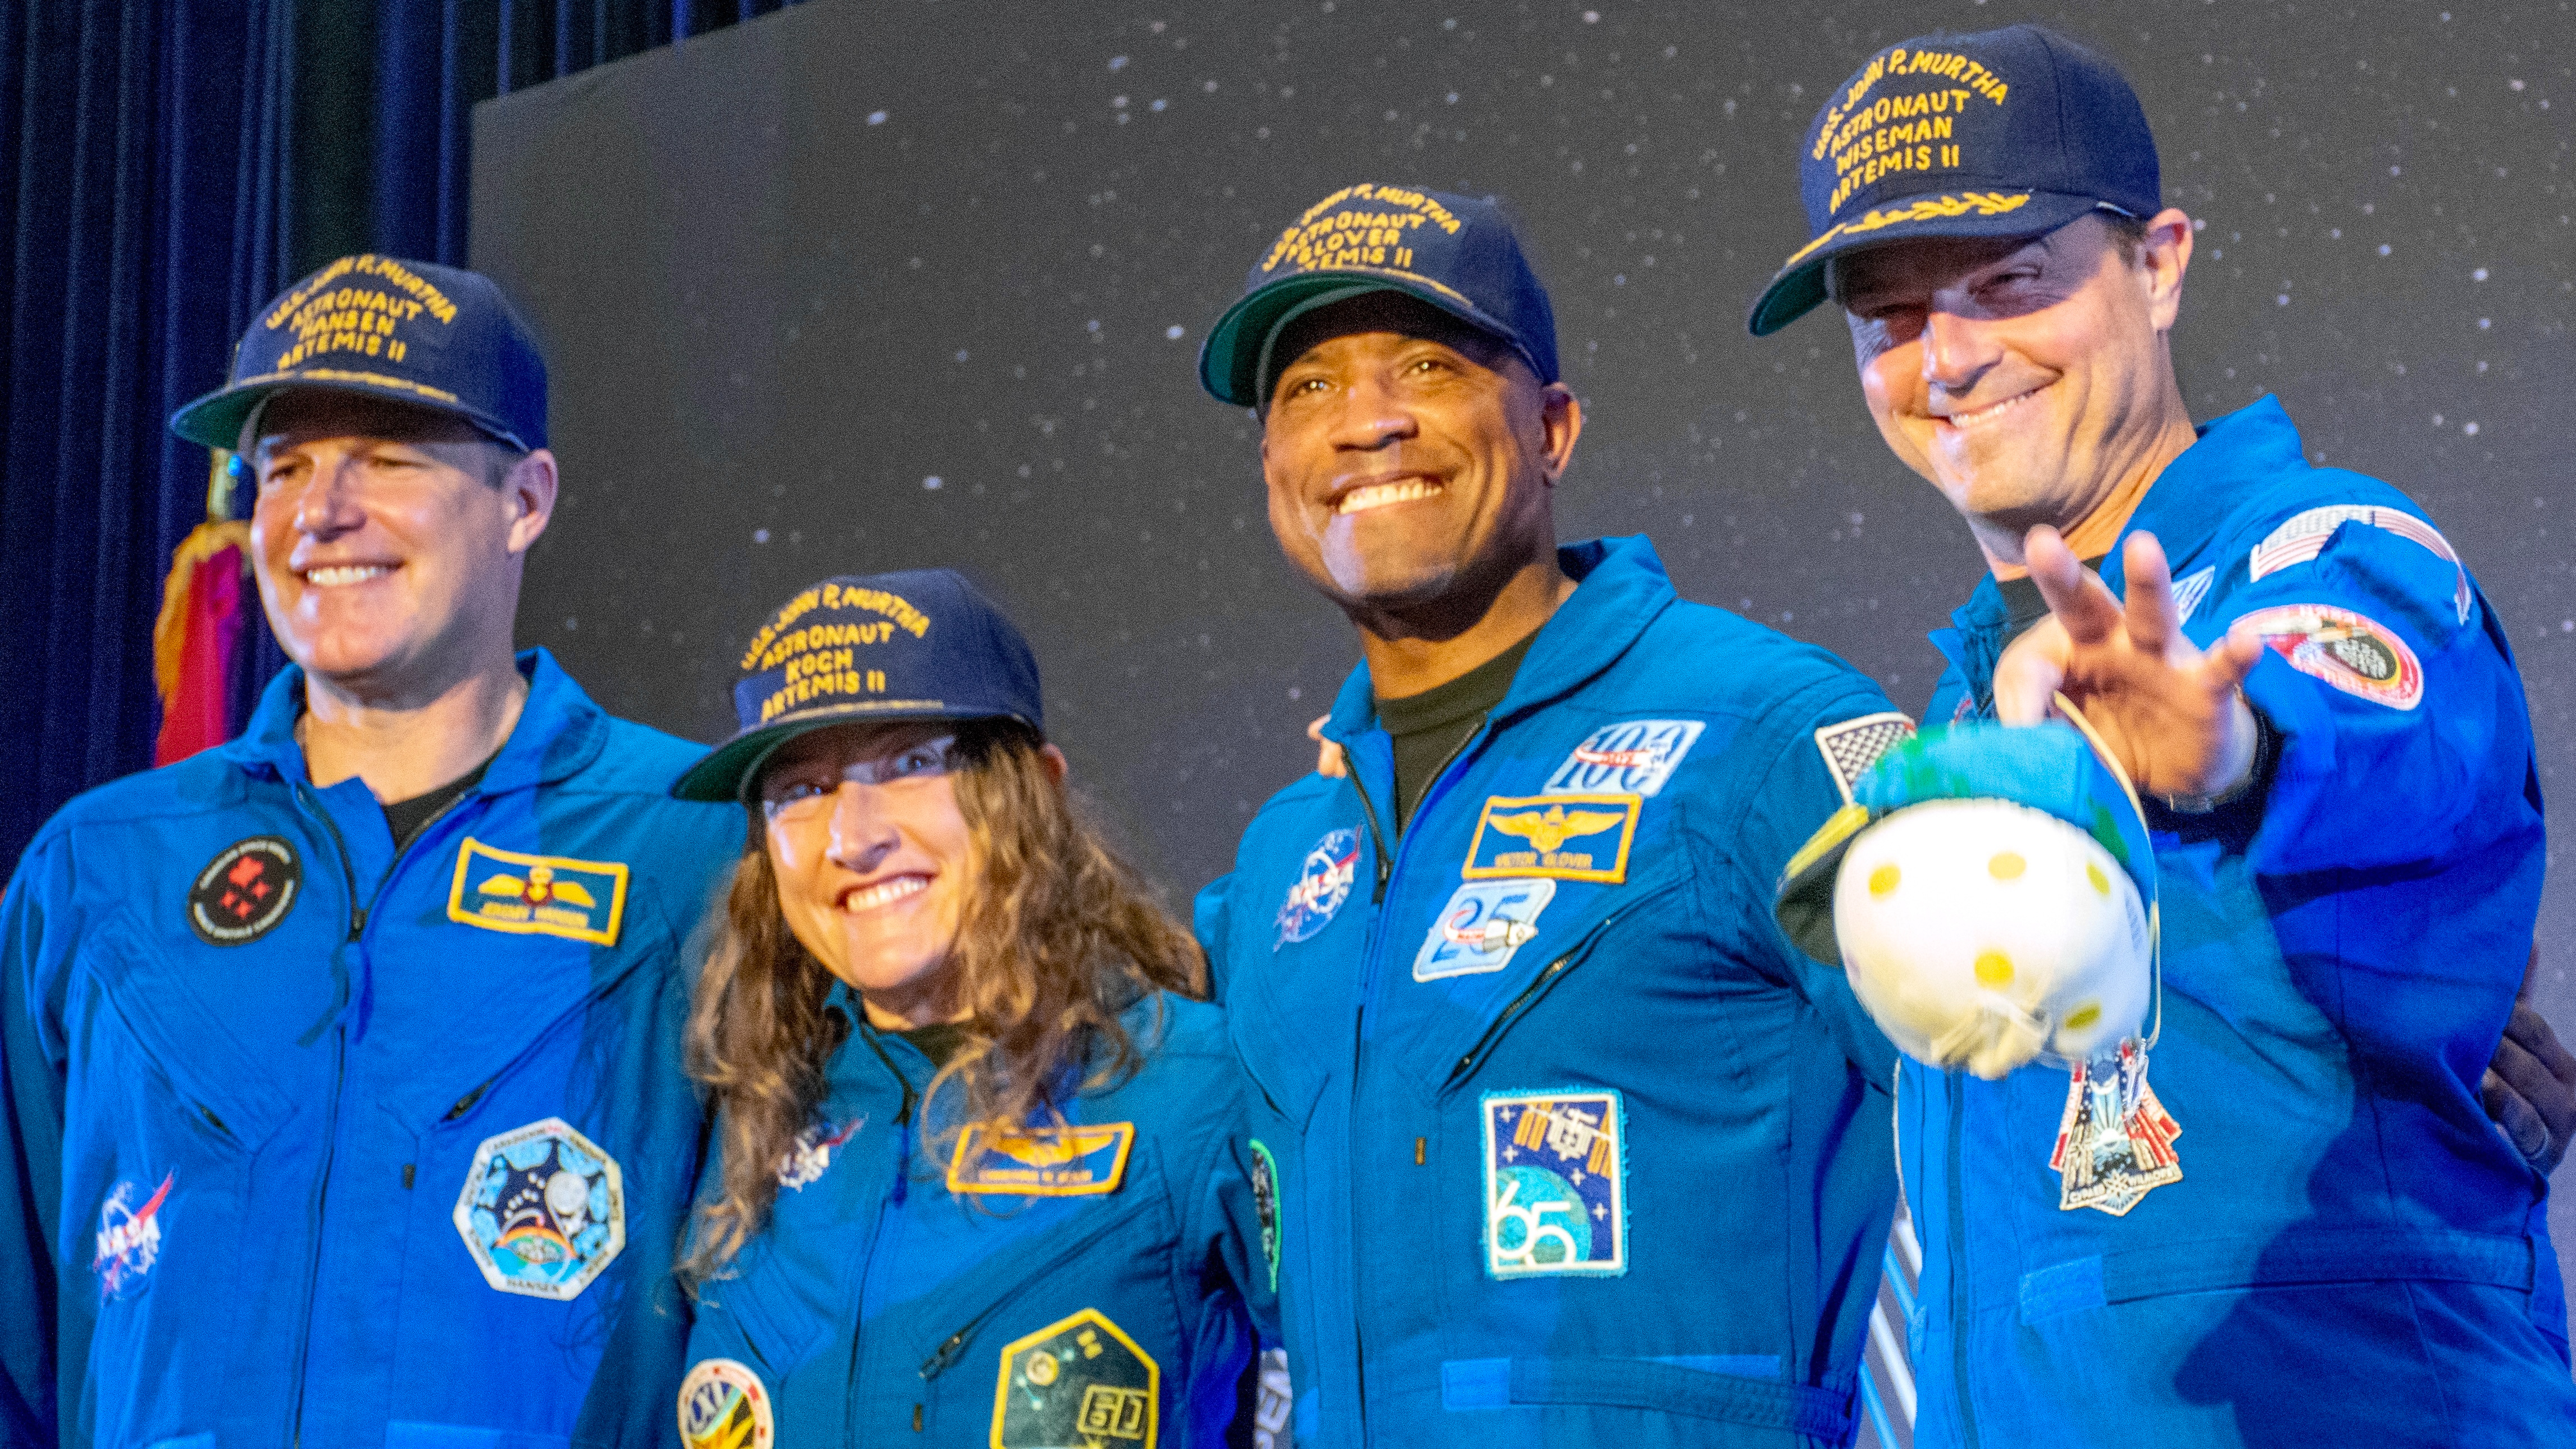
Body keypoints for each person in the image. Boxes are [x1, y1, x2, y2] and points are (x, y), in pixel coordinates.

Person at [1748, 24, 2576, 1443]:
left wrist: (2224, 751)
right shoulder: (1966, 708)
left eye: (2008, 282)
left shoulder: (2326, 547)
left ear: (2159, 263)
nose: (1945, 358)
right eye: (1887, 316)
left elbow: (2350, 708)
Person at [1189, 183, 1915, 1447]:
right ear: (1271, 469)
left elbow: (2011, 1116)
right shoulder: (1284, 864)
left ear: (1553, 430)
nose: (1368, 422)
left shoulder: (1764, 733)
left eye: (1426, 363)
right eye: (1307, 388)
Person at [0, 257, 741, 1447]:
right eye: (282, 466)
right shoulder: (99, 872)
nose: (319, 512)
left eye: (389, 457)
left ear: (527, 498)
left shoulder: (698, 848)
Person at [656, 568, 1275, 1447]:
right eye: (801, 790)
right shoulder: (747, 1112)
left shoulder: (1194, 1090)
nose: (853, 837)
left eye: (912, 764)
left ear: (1036, 792)